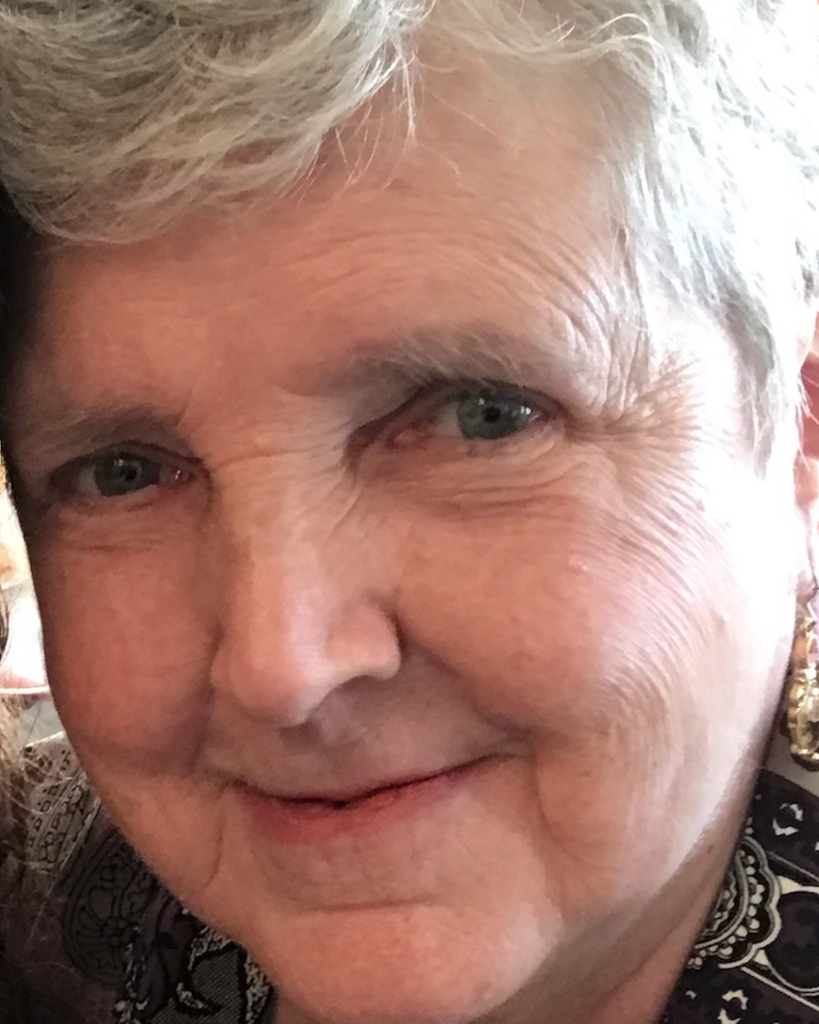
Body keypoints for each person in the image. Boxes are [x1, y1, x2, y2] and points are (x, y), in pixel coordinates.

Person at [1, 1, 819, 1022]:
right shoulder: (49, 922)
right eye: (123, 473)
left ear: (797, 426)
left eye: (481, 417)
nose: (280, 666)